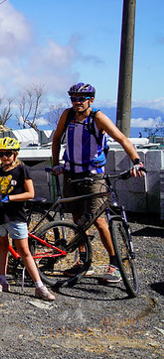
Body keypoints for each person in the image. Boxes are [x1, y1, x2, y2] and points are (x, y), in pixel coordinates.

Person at [50, 82, 145, 283]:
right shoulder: (67, 115)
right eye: (73, 99)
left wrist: (137, 161)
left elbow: (122, 138)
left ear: (90, 100)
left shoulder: (98, 118)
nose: (76, 103)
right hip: (71, 174)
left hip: (94, 177)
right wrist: (56, 163)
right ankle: (83, 262)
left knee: (99, 220)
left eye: (81, 99)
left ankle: (115, 264)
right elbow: (57, 138)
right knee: (78, 221)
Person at [0, 137, 56, 301]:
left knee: (24, 251)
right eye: (1, 154)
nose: (4, 157)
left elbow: (30, 193)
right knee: (2, 246)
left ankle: (39, 286)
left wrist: (10, 198)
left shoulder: (22, 170)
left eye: (8, 154)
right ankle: (2, 280)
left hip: (15, 215)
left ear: (15, 154)